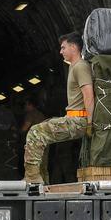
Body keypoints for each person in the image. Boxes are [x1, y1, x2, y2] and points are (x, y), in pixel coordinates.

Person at [24, 32, 94, 184]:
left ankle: (32, 179)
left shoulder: (80, 67)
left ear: (74, 47)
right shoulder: (74, 67)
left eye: (63, 48)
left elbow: (88, 95)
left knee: (35, 132)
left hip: (79, 120)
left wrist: (89, 123)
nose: (60, 51)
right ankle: (41, 178)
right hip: (73, 118)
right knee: (40, 134)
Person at [20, 99, 49, 182]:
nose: (24, 107)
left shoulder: (30, 114)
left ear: (30, 105)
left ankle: (35, 184)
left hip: (35, 143)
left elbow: (25, 128)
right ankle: (47, 184)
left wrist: (17, 133)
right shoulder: (40, 114)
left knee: (33, 165)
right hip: (45, 141)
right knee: (44, 165)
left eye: (25, 105)